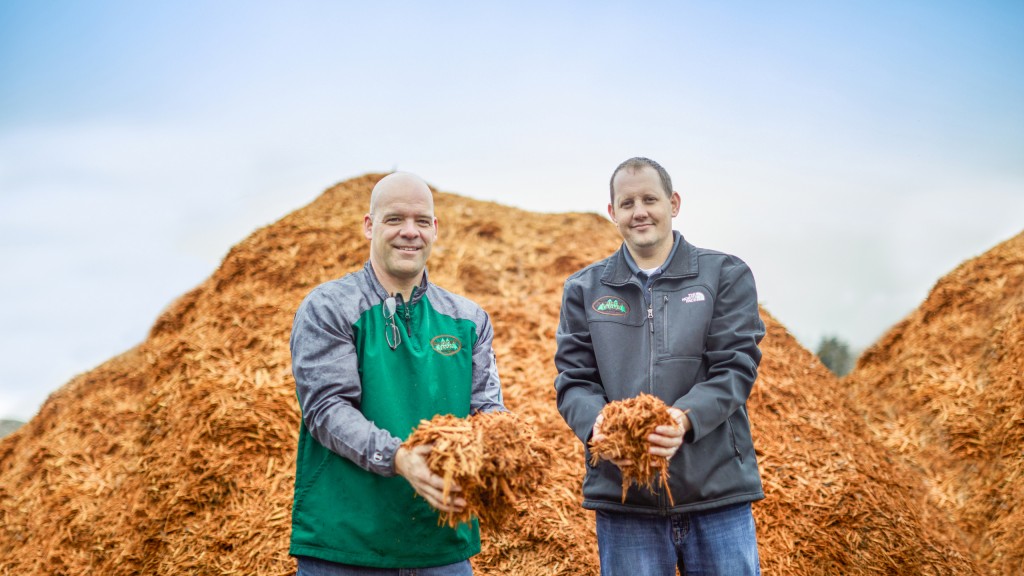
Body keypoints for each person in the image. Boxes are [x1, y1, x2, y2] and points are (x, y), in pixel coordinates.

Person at [554, 157, 766, 575]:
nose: (640, 211)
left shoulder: (724, 274)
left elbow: (735, 367)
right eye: (627, 202)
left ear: (673, 203)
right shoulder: (584, 288)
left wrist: (683, 419)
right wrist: (599, 425)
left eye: (650, 199)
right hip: (625, 496)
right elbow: (574, 380)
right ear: (612, 213)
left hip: (716, 493)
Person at [289, 172, 506, 575]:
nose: (410, 232)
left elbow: (487, 409)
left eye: (422, 221)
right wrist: (399, 458)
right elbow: (326, 408)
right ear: (369, 225)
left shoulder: (468, 320)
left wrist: (506, 446)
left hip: (442, 545)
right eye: (394, 219)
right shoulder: (329, 307)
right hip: (347, 544)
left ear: (435, 229)